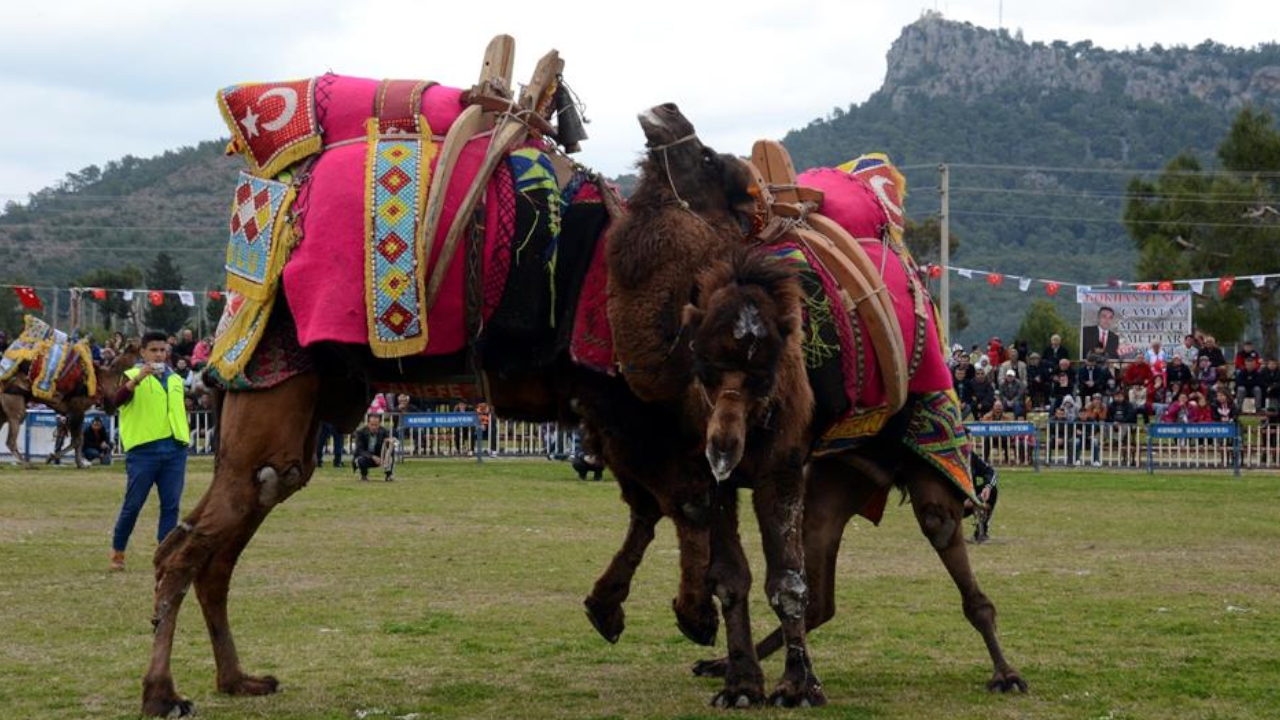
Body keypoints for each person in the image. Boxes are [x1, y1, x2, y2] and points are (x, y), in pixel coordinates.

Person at [108, 331, 191, 572]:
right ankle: (118, 550)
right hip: (143, 452)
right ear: (143, 352)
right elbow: (116, 401)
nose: (159, 354)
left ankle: (164, 555)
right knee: (133, 505)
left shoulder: (176, 379)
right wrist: (137, 380)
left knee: (171, 505)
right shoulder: (130, 375)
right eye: (153, 350)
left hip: (175, 450)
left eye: (163, 350)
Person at [966, 453, 999, 544]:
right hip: (950, 500)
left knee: (992, 490)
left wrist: (988, 487)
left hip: (969, 497)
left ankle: (981, 532)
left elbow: (991, 472)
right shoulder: (948, 456)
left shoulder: (971, 457)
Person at [353, 414, 395, 481]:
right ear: (368, 424)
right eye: (372, 425)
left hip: (380, 458)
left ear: (379, 424)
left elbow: (389, 446)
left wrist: (390, 443)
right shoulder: (360, 432)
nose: (374, 427)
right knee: (360, 460)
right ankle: (363, 475)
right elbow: (359, 450)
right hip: (366, 457)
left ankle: (389, 475)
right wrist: (372, 456)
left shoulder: (384, 431)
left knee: (391, 452)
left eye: (376, 425)